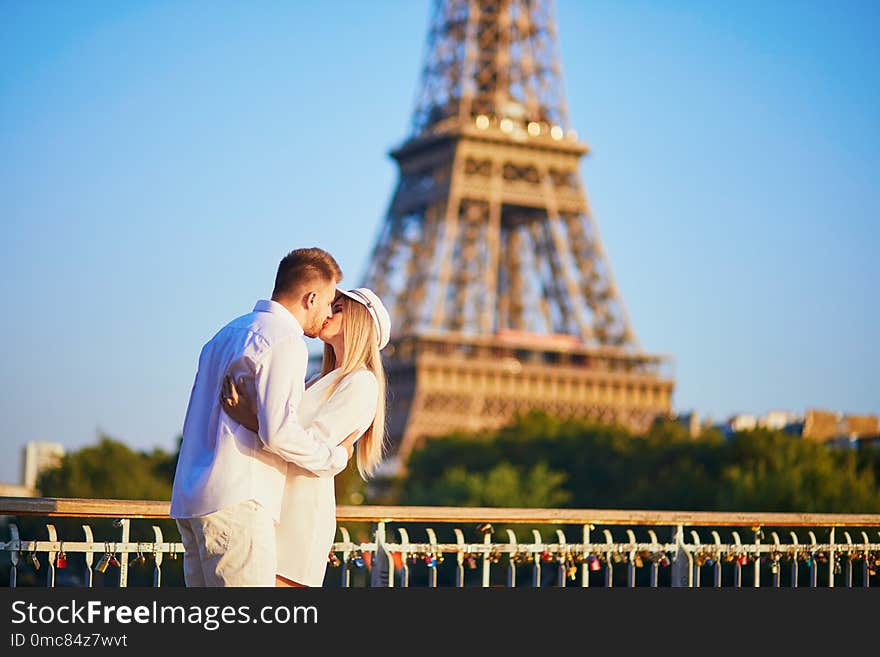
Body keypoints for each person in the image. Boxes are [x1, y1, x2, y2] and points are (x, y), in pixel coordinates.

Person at [170, 247, 359, 587]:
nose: (329, 311)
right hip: (239, 499)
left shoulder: (224, 334)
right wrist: (335, 457)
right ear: (311, 297)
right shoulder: (285, 340)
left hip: (191, 499)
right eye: (330, 301)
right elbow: (279, 432)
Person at [220, 286, 390, 587]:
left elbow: (308, 446)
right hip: (274, 507)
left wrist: (252, 419)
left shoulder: (361, 382)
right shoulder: (317, 380)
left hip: (299, 518)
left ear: (360, 323)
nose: (327, 312)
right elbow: (292, 437)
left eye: (337, 308)